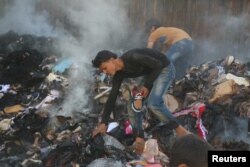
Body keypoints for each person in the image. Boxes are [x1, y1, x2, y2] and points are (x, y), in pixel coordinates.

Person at [91, 48, 189, 154]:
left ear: (111, 59)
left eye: (105, 68)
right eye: (102, 71)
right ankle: (140, 139)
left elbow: (159, 64)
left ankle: (180, 130)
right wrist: (103, 123)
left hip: (165, 69)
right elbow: (112, 97)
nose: (105, 72)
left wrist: (147, 85)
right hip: (151, 74)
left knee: (153, 103)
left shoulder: (133, 57)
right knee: (132, 104)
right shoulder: (119, 74)